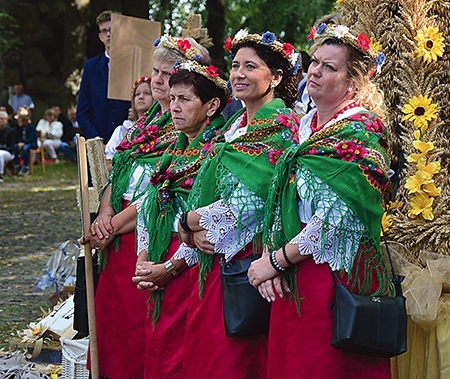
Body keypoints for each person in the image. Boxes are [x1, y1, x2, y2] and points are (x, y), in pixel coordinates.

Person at [245, 24, 393, 379]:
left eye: (330, 67)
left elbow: (336, 221)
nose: (315, 71)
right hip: (291, 274)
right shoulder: (302, 127)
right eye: (315, 62)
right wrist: (269, 257)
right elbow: (278, 198)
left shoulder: (360, 133)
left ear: (352, 83)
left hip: (334, 278)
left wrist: (277, 261)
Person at [85, 35, 210, 379]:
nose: (156, 79)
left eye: (166, 73)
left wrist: (112, 225)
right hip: (119, 235)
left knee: (144, 338)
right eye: (154, 71)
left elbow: (157, 194)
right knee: (114, 330)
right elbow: (120, 171)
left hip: (147, 237)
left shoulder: (187, 128)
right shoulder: (145, 123)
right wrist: (104, 213)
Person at [177, 30, 300, 379]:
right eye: (234, 66)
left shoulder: (281, 127)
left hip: (247, 261)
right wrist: (191, 231)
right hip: (212, 258)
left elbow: (254, 202)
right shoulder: (234, 126)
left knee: (233, 361)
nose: (239, 74)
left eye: (250, 66)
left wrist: (190, 221)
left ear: (275, 77)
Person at [117, 62, 229, 379]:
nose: (174, 107)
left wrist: (169, 268)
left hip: (191, 269)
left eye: (185, 100)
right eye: (173, 98)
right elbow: (150, 205)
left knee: (184, 359)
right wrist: (143, 258)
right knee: (158, 352)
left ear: (212, 106)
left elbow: (211, 228)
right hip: (160, 263)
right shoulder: (174, 150)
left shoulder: (216, 152)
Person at [76, 10, 131, 141]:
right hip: (99, 138)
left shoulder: (133, 64)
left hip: (128, 140)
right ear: (100, 36)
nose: (108, 35)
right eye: (104, 31)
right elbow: (82, 111)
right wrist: (95, 138)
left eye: (112, 30)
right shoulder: (91, 66)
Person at [104, 76, 154, 165]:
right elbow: (108, 163)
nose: (141, 97)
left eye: (147, 93)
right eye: (137, 94)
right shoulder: (122, 130)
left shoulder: (159, 128)